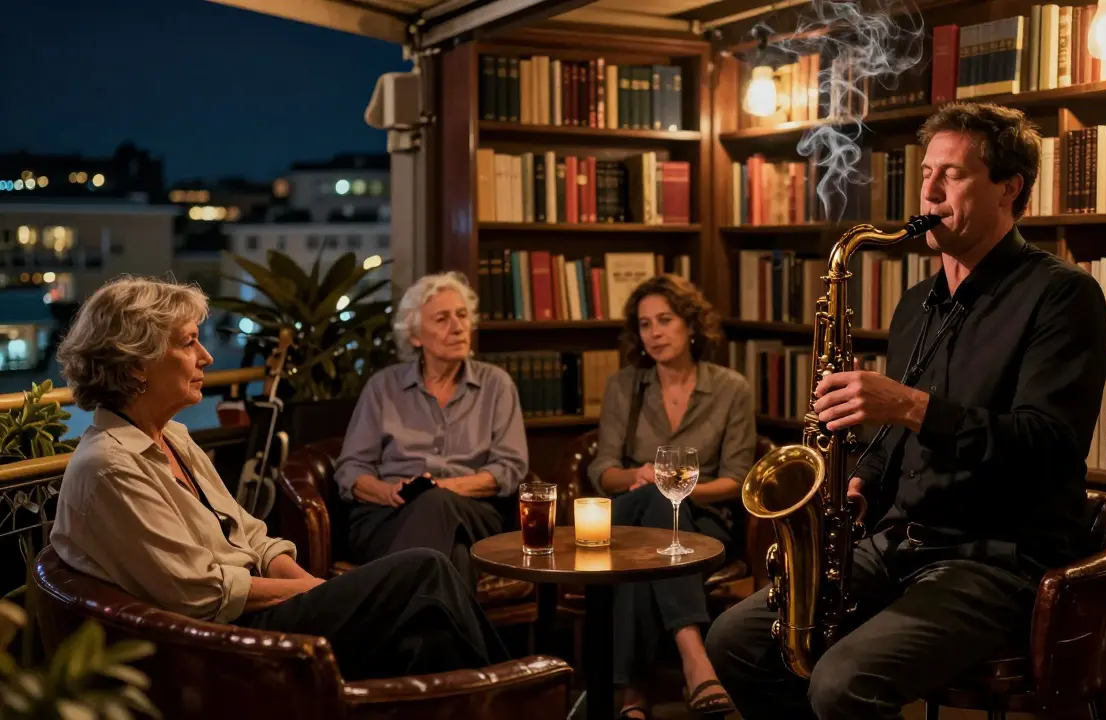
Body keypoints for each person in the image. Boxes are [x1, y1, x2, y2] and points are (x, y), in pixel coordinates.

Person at [705, 101, 1106, 720]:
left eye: (952, 173)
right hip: (896, 541)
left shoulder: (1062, 295)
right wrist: (866, 479)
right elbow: (901, 437)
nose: (929, 188)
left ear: (1010, 188)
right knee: (734, 641)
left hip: (994, 559)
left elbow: (1050, 443)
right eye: (927, 171)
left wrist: (913, 406)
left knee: (842, 683)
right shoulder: (917, 300)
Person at [49, 276, 508, 682]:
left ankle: (498, 698)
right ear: (136, 365)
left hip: (255, 612)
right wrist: (321, 592)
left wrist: (319, 589)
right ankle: (520, 694)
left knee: (424, 635)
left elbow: (253, 538)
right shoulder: (109, 466)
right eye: (189, 343)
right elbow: (203, 593)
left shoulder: (175, 439)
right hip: (223, 640)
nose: (207, 356)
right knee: (425, 569)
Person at [586, 274, 756, 719]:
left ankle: (633, 696)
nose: (655, 332)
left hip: (704, 520)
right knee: (657, 504)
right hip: (628, 511)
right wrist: (637, 475)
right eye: (645, 324)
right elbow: (602, 471)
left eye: (665, 320)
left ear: (692, 325)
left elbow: (738, 480)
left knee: (652, 538)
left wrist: (682, 488)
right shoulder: (625, 386)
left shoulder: (730, 388)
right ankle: (695, 660)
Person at [334, 271, 528, 585]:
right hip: (388, 516)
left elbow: (510, 468)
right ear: (415, 336)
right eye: (442, 319)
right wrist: (388, 492)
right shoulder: (383, 387)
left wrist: (442, 490)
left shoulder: (497, 385)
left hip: (472, 512)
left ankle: (388, 616)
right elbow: (351, 469)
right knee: (456, 558)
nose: (458, 327)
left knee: (435, 503)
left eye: (462, 315)